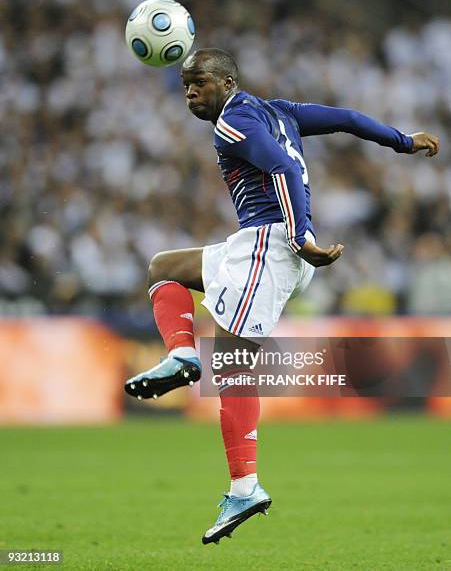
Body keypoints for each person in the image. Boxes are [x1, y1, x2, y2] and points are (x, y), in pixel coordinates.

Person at [124, 48, 440, 544]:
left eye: (200, 83)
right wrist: (401, 141)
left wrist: (300, 240)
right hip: (256, 244)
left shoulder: (233, 124)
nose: (190, 93)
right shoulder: (278, 111)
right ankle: (182, 355)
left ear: (227, 83)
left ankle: (244, 485)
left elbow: (285, 173)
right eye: (186, 85)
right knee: (164, 267)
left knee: (231, 365)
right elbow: (348, 119)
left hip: (273, 246)